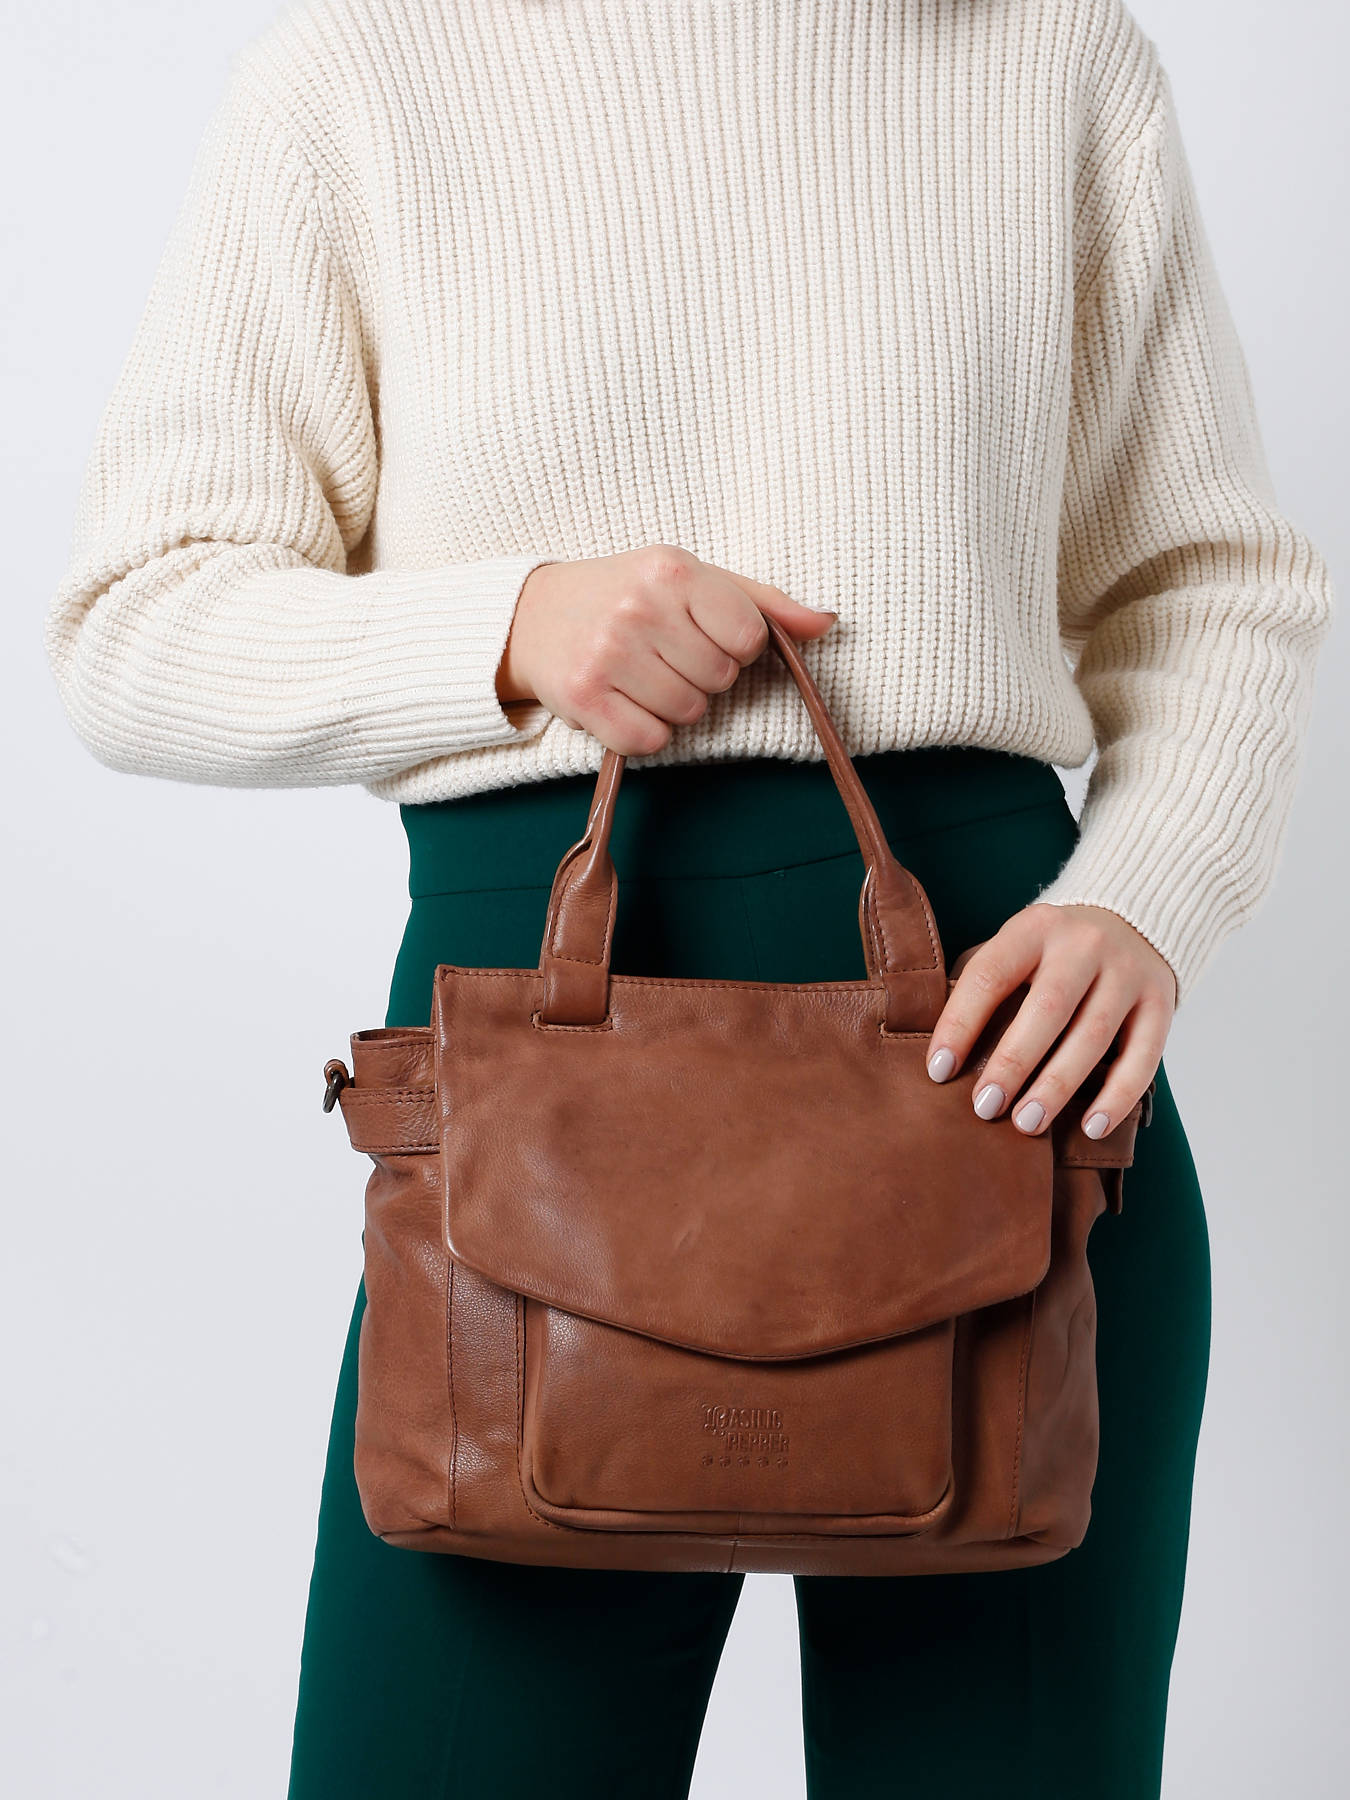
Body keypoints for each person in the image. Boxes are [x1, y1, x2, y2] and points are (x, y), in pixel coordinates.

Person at [43, 2, 1333, 1796]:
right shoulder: (365, 67)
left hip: (1006, 1081)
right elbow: (135, 624)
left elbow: (1206, 583)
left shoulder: (1045, 52)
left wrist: (1149, 892)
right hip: (530, 1124)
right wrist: (510, 626)